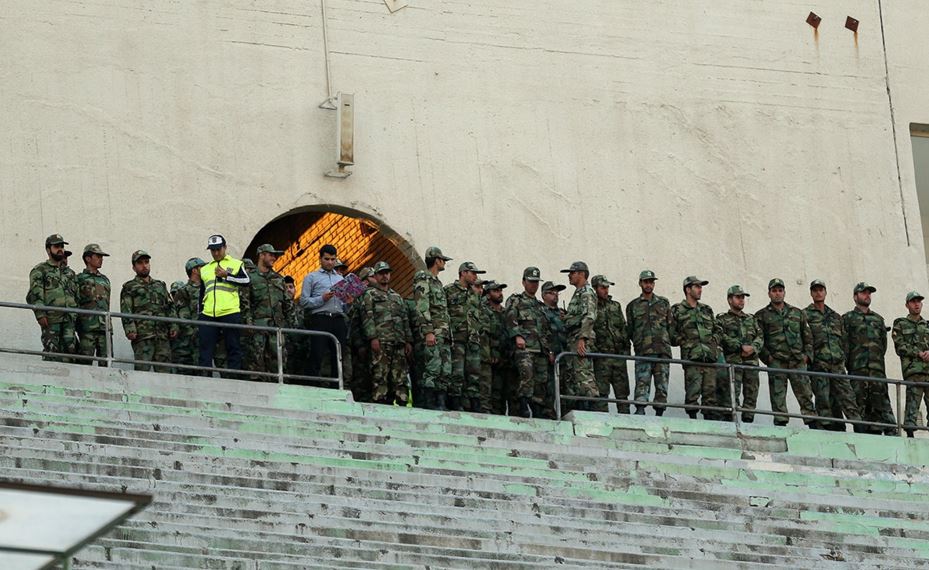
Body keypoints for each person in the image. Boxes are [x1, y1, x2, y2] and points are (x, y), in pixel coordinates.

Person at [755, 278, 816, 427]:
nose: (777, 294)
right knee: (778, 397)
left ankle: (813, 424)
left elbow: (807, 336)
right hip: (777, 361)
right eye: (774, 291)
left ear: (784, 292)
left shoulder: (797, 313)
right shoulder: (761, 315)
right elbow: (759, 339)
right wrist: (768, 358)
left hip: (797, 361)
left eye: (780, 290)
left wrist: (807, 356)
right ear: (769, 293)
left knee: (806, 395)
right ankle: (781, 425)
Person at [804, 280, 862, 431]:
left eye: (821, 290)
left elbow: (844, 341)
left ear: (825, 292)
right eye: (815, 290)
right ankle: (826, 428)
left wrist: (843, 358)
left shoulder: (836, 316)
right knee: (823, 399)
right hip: (819, 365)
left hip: (837, 365)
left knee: (848, 397)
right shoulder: (805, 315)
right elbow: (804, 339)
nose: (818, 293)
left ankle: (858, 426)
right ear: (811, 293)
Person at [844, 282, 895, 435]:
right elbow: (845, 345)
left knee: (880, 408)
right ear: (855, 296)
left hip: (877, 372)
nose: (867, 295)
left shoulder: (878, 319)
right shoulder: (847, 318)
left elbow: (883, 346)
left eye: (869, 293)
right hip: (858, 371)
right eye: (863, 292)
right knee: (859, 408)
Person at [361, 261, 412, 405]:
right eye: (381, 273)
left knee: (400, 376)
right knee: (380, 374)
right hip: (381, 341)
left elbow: (404, 319)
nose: (385, 276)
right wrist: (373, 338)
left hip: (398, 342)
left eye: (387, 273)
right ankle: (380, 402)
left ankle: (402, 402)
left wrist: (408, 340)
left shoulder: (396, 296)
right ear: (376, 276)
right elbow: (368, 317)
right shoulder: (370, 294)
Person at [199, 234, 250, 373]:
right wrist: (200, 313)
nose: (216, 253)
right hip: (208, 313)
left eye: (218, 249)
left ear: (225, 248)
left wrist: (227, 276)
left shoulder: (236, 263)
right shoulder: (204, 269)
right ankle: (205, 379)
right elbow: (202, 293)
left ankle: (234, 379)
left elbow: (246, 281)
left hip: (230, 312)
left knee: (233, 347)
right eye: (212, 250)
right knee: (205, 349)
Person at [120, 250, 177, 372]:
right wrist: (130, 329)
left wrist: (174, 325)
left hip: (162, 335)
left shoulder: (160, 285)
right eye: (140, 263)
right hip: (142, 336)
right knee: (142, 371)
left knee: (165, 372)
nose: (144, 265)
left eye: (146, 262)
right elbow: (126, 310)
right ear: (134, 267)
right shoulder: (129, 287)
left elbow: (170, 306)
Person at [671, 276, 719, 420]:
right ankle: (693, 422)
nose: (700, 290)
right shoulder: (677, 310)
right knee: (692, 395)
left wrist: (714, 342)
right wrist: (685, 343)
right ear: (688, 289)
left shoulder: (706, 309)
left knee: (710, 397)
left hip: (709, 359)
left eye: (701, 287)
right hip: (692, 359)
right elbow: (671, 333)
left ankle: (709, 425)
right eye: (697, 287)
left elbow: (717, 329)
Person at [505, 267, 551, 417]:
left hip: (541, 350)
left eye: (536, 282)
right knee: (527, 376)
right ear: (524, 282)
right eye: (531, 281)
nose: (534, 285)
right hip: (525, 348)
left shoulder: (540, 306)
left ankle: (537, 410)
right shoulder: (516, 300)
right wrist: (517, 335)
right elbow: (510, 318)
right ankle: (523, 407)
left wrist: (549, 350)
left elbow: (546, 330)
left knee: (541, 381)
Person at [626, 270, 673, 415]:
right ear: (640, 283)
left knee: (662, 386)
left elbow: (670, 325)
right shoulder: (633, 306)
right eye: (646, 282)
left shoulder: (663, 303)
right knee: (642, 382)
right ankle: (640, 410)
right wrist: (640, 343)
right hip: (644, 351)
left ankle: (659, 413)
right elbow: (631, 330)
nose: (648, 285)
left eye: (651, 282)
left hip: (662, 351)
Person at [412, 246, 453, 410]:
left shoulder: (438, 282)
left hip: (443, 334)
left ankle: (441, 403)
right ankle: (430, 403)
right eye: (443, 260)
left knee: (445, 369)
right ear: (437, 260)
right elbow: (422, 306)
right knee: (433, 368)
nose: (444, 263)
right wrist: (428, 331)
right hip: (433, 333)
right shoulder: (424, 278)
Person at [244, 244, 293, 380]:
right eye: (271, 255)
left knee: (278, 366)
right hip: (257, 329)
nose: (274, 258)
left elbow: (287, 304)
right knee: (257, 367)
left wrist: (291, 325)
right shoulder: (249, 278)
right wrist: (249, 324)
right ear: (261, 255)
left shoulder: (278, 278)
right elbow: (244, 304)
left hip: (276, 329)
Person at [300, 244, 348, 380]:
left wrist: (348, 301)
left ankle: (337, 387)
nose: (330, 262)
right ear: (320, 259)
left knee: (339, 356)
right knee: (317, 353)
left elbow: (344, 304)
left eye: (333, 259)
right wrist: (322, 299)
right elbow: (303, 302)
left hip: (338, 319)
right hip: (320, 319)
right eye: (327, 259)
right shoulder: (311, 277)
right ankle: (312, 385)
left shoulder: (340, 279)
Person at [714, 285, 762, 422]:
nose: (741, 300)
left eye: (743, 298)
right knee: (731, 395)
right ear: (730, 300)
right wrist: (740, 347)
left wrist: (753, 348)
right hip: (733, 362)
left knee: (751, 394)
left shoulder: (751, 319)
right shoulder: (722, 319)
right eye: (738, 297)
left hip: (751, 363)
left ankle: (748, 422)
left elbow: (760, 336)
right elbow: (721, 336)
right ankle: (730, 422)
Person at [27, 234, 78, 362]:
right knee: (52, 351)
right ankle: (49, 382)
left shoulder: (70, 273)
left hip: (69, 320)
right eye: (56, 246)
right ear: (48, 249)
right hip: (51, 319)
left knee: (71, 351)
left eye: (62, 246)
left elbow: (76, 296)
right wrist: (40, 313)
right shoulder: (40, 270)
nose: (60, 249)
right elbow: (35, 294)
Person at [445, 261, 485, 411]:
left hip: (473, 339)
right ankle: (455, 403)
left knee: (474, 373)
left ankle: (474, 404)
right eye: (473, 273)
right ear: (463, 273)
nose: (475, 276)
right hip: (457, 339)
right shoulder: (449, 290)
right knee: (457, 373)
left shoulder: (475, 294)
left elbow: (478, 315)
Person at [560, 261, 600, 414]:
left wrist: (582, 339)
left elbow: (589, 317)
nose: (569, 276)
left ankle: (591, 412)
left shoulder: (587, 292)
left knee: (584, 376)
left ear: (582, 274)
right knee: (575, 377)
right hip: (574, 339)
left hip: (580, 340)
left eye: (572, 272)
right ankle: (581, 410)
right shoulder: (578, 293)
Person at [591, 275, 631, 413]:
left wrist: (626, 350)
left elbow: (623, 328)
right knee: (601, 395)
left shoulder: (615, 306)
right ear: (595, 288)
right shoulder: (592, 307)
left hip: (618, 356)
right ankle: (603, 424)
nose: (606, 290)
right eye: (603, 287)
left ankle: (627, 423)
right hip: (601, 358)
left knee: (623, 395)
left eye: (607, 287)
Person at [892, 291, 929, 437]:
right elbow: (900, 346)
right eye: (913, 302)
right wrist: (918, 353)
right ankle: (910, 436)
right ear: (907, 304)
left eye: (919, 301)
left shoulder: (927, 325)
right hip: (913, 372)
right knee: (912, 406)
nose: (916, 304)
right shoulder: (900, 323)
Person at [75, 243, 111, 366]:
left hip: (104, 328)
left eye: (102, 257)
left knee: (106, 362)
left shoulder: (105, 280)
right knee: (85, 362)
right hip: (87, 327)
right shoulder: (79, 279)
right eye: (98, 256)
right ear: (88, 258)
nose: (101, 259)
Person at [172, 258, 206, 375]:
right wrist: (194, 332)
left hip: (208, 336)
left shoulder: (208, 288)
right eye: (202, 267)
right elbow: (183, 317)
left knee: (206, 370)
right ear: (195, 270)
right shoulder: (184, 291)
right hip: (192, 339)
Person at [346, 267, 376, 400]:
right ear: (365, 282)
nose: (377, 278)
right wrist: (360, 345)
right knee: (361, 380)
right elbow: (355, 323)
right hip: (361, 347)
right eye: (373, 276)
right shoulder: (360, 299)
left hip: (374, 346)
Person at [480, 281, 508, 415]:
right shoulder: (483, 310)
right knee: (486, 389)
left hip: (504, 357)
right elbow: (485, 334)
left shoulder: (505, 312)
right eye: (496, 291)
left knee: (501, 392)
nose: (500, 293)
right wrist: (490, 353)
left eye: (500, 290)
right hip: (488, 356)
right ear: (488, 294)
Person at [541, 280, 567, 419]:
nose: (555, 295)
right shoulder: (541, 312)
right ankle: (548, 415)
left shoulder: (562, 313)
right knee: (549, 389)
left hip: (564, 356)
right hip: (549, 358)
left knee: (564, 389)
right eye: (551, 293)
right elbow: (541, 333)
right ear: (544, 295)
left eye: (557, 292)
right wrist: (549, 351)